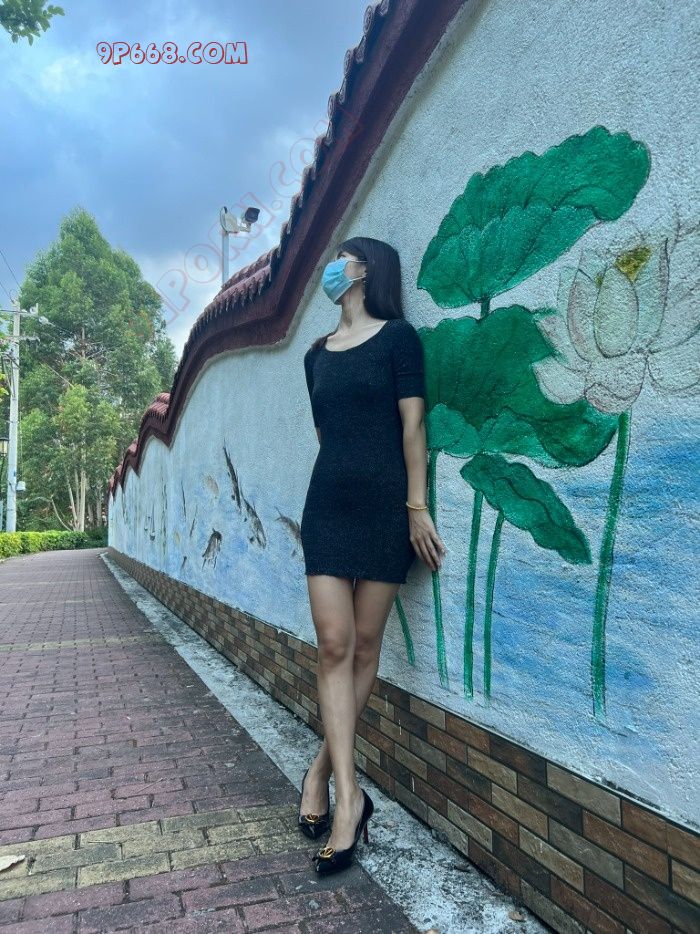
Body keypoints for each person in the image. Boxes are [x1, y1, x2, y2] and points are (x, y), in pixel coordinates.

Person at [299, 236, 447, 874]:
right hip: (328, 509)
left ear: (367, 270)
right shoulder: (314, 355)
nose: (332, 268)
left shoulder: (399, 340)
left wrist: (417, 506)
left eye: (343, 257)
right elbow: (328, 436)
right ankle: (348, 797)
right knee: (333, 645)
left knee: (363, 647)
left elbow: (413, 426)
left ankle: (319, 773)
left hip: (387, 511)